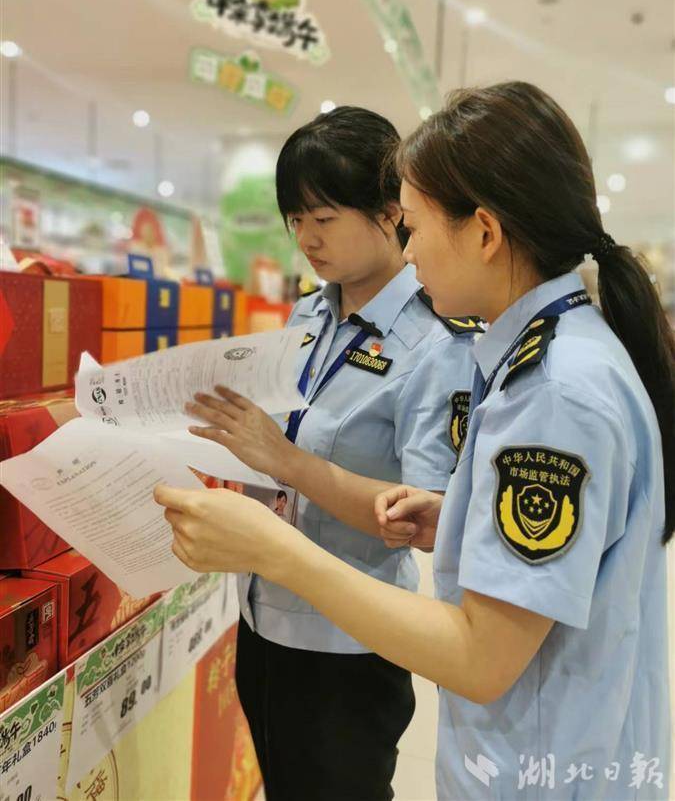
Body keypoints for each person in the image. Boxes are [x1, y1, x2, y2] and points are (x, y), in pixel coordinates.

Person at [156, 83, 673, 800]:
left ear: (484, 233)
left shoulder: (553, 390)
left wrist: (274, 549)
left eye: (417, 224)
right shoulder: (552, 359)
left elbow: (481, 658)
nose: (412, 247)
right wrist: (458, 515)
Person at [181, 105, 479, 801]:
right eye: (295, 220)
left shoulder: (437, 343)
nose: (306, 239)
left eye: (323, 217)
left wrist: (285, 460)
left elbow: (420, 517)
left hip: (348, 641)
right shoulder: (309, 314)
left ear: (390, 212)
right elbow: (276, 438)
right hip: (261, 612)